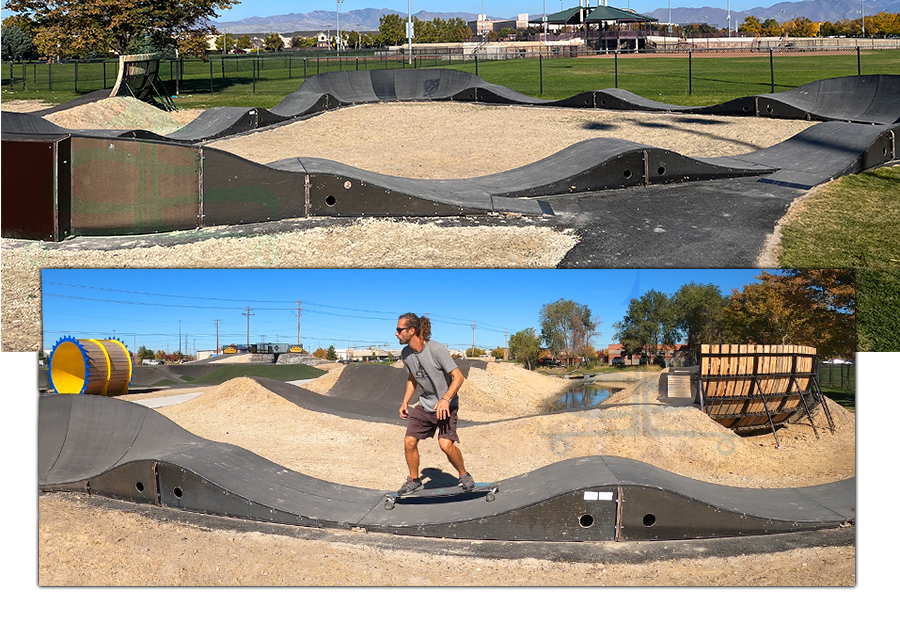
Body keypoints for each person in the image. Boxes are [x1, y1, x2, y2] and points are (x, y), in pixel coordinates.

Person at [395, 312, 475, 495]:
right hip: (425, 405)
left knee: (445, 445)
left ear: (412, 330)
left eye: (400, 330)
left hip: (447, 405)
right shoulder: (406, 353)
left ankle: (464, 475)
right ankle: (414, 480)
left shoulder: (436, 350)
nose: (396, 333)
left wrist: (445, 399)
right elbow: (412, 378)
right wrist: (405, 402)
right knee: (409, 442)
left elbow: (458, 377)